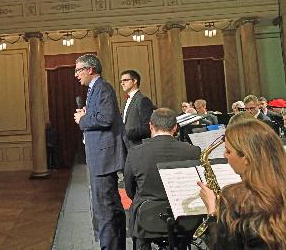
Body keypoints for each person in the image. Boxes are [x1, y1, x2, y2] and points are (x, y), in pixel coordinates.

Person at [198, 119, 286, 250]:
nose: (224, 155)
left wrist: (212, 210)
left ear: (246, 158)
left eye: (228, 151)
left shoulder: (235, 197)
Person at [124, 108, 201, 250]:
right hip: (185, 218)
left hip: (147, 218)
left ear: (151, 126)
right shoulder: (193, 151)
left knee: (137, 204)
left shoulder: (135, 153)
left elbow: (129, 190)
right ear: (175, 127)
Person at [73, 54, 126, 250]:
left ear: (90, 69)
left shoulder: (102, 87)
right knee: (110, 208)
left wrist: (83, 120)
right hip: (100, 157)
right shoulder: (94, 90)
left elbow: (105, 119)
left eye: (78, 70)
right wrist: (87, 115)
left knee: (105, 211)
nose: (76, 74)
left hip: (103, 159)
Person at [120, 70, 155, 147]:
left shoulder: (142, 100)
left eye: (125, 80)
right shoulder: (124, 102)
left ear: (135, 81)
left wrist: (126, 133)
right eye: (121, 81)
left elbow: (147, 127)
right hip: (126, 146)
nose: (122, 83)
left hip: (138, 146)